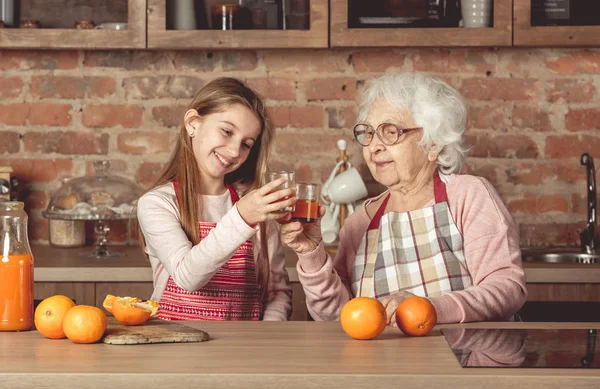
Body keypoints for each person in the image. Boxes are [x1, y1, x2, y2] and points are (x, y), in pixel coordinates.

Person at [280, 72, 527, 324]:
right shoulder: (359, 223)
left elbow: (506, 288)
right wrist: (311, 254)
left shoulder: (467, 196)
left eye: (390, 132)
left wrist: (429, 309)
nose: (374, 146)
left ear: (432, 144)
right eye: (369, 133)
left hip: (464, 358)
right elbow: (336, 318)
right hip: (382, 363)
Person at [137, 77, 293, 321]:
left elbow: (277, 294)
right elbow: (187, 276)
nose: (234, 151)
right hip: (172, 350)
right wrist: (242, 217)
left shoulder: (256, 206)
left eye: (246, 144)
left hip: (243, 352)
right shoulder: (157, 203)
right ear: (193, 124)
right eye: (227, 131)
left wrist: (263, 342)